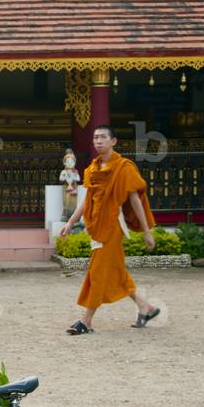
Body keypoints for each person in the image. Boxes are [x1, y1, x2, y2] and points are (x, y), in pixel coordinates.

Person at [60, 125, 160, 334]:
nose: (98, 141)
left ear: (113, 141)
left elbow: (135, 200)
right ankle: (146, 308)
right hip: (96, 226)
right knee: (116, 272)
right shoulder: (92, 169)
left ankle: (86, 321)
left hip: (112, 227)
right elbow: (86, 200)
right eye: (96, 137)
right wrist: (70, 223)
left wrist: (146, 231)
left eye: (103, 137)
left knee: (98, 272)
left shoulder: (124, 167)